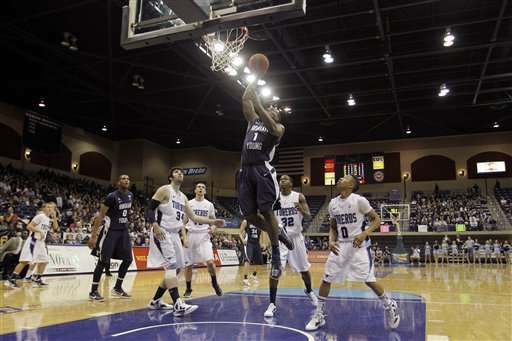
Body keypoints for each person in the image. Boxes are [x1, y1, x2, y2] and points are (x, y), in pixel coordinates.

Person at [305, 175, 399, 331]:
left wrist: (364, 234)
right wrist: (331, 240)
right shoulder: (333, 203)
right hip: (341, 246)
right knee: (326, 278)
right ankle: (319, 315)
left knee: (369, 280)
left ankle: (390, 305)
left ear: (351, 185)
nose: (340, 178)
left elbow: (376, 220)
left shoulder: (359, 200)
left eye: (345, 178)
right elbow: (333, 227)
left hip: (359, 246)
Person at [145, 168, 225, 316]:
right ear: (170, 177)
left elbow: (195, 218)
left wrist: (214, 221)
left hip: (174, 234)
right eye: (176, 172)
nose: (180, 173)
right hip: (162, 232)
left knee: (177, 269)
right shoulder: (165, 190)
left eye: (181, 172)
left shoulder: (183, 197)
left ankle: (155, 300)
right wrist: (155, 225)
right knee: (171, 266)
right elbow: (150, 209)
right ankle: (178, 304)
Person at [238, 83, 293, 282]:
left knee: (266, 211)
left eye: (275, 110)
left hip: (262, 168)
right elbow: (246, 99)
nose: (272, 108)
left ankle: (276, 257)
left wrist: (260, 104)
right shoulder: (253, 120)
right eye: (271, 107)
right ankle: (278, 232)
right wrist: (256, 79)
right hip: (245, 169)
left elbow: (271, 126)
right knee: (250, 216)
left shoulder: (278, 127)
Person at [265, 174, 317, 317]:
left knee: (304, 270)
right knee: (275, 271)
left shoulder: (299, 196)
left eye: (285, 179)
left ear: (291, 183)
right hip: (280, 238)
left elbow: (308, 216)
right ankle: (272, 304)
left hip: (296, 238)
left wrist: (300, 208)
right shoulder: (274, 198)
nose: (282, 180)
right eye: (280, 179)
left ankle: (309, 290)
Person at [88, 175, 134, 301]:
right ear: (118, 182)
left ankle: (117, 288)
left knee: (128, 259)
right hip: (110, 231)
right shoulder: (112, 196)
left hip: (123, 231)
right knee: (103, 261)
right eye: (123, 178)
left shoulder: (130, 195)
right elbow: (101, 216)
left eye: (128, 179)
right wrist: (93, 236)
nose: (126, 180)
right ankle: (93, 291)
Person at [183, 182, 223, 298]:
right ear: (195, 190)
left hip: (204, 236)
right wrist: (184, 237)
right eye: (199, 187)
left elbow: (214, 221)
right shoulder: (189, 204)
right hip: (191, 235)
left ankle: (214, 283)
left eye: (203, 187)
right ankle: (188, 288)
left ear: (205, 191)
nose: (201, 189)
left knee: (210, 262)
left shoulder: (209, 205)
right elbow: (184, 222)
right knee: (188, 265)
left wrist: (213, 228)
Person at [7, 202, 59, 288]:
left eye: (52, 208)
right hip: (33, 241)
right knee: (25, 261)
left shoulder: (48, 219)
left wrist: (54, 217)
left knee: (44, 261)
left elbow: (56, 228)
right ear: (44, 208)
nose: (50, 209)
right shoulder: (40, 216)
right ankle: (12, 279)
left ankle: (37, 278)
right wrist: (38, 231)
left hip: (41, 243)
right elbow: (29, 226)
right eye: (48, 207)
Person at [239, 219, 265, 287]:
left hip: (257, 244)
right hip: (249, 243)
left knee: (260, 263)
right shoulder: (246, 221)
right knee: (248, 260)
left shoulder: (259, 222)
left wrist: (262, 243)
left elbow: (261, 233)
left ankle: (254, 275)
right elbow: (239, 233)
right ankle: (245, 279)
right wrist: (243, 239)